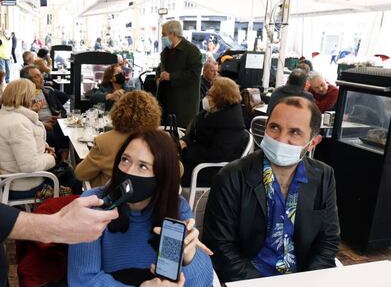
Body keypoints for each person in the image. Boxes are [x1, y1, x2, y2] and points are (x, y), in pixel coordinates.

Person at [0, 0, 116, 287]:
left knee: (73, 169)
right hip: (23, 182)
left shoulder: (16, 118)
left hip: (18, 177)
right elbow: (29, 165)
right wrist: (52, 227)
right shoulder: (17, 122)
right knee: (74, 176)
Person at [203, 96, 340, 283]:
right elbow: (220, 247)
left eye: (295, 132)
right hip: (248, 280)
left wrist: (310, 281)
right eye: (274, 127)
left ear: (313, 142)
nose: (281, 139)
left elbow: (328, 240)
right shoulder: (230, 177)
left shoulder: (323, 176)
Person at [68, 130, 214, 286]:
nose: (128, 171)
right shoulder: (94, 205)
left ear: (162, 175)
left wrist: (189, 258)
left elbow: (202, 282)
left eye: (143, 166)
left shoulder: (176, 208)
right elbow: (83, 280)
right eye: (125, 160)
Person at [75, 91, 161, 187]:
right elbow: (178, 170)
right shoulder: (159, 141)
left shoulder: (104, 141)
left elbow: (80, 174)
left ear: (119, 110)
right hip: (150, 199)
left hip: (111, 198)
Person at [180, 77, 246, 187]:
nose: (206, 97)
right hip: (197, 159)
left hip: (210, 169)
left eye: (210, 95)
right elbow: (193, 132)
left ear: (221, 99)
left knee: (168, 168)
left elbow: (217, 154)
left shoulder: (231, 123)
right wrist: (184, 141)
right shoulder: (211, 112)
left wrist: (186, 151)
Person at [157, 20, 202, 128]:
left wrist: (171, 76)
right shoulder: (166, 51)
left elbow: (194, 74)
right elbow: (160, 68)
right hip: (166, 103)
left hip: (183, 106)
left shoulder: (192, 51)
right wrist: (158, 77)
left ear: (173, 34)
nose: (162, 37)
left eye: (164, 34)